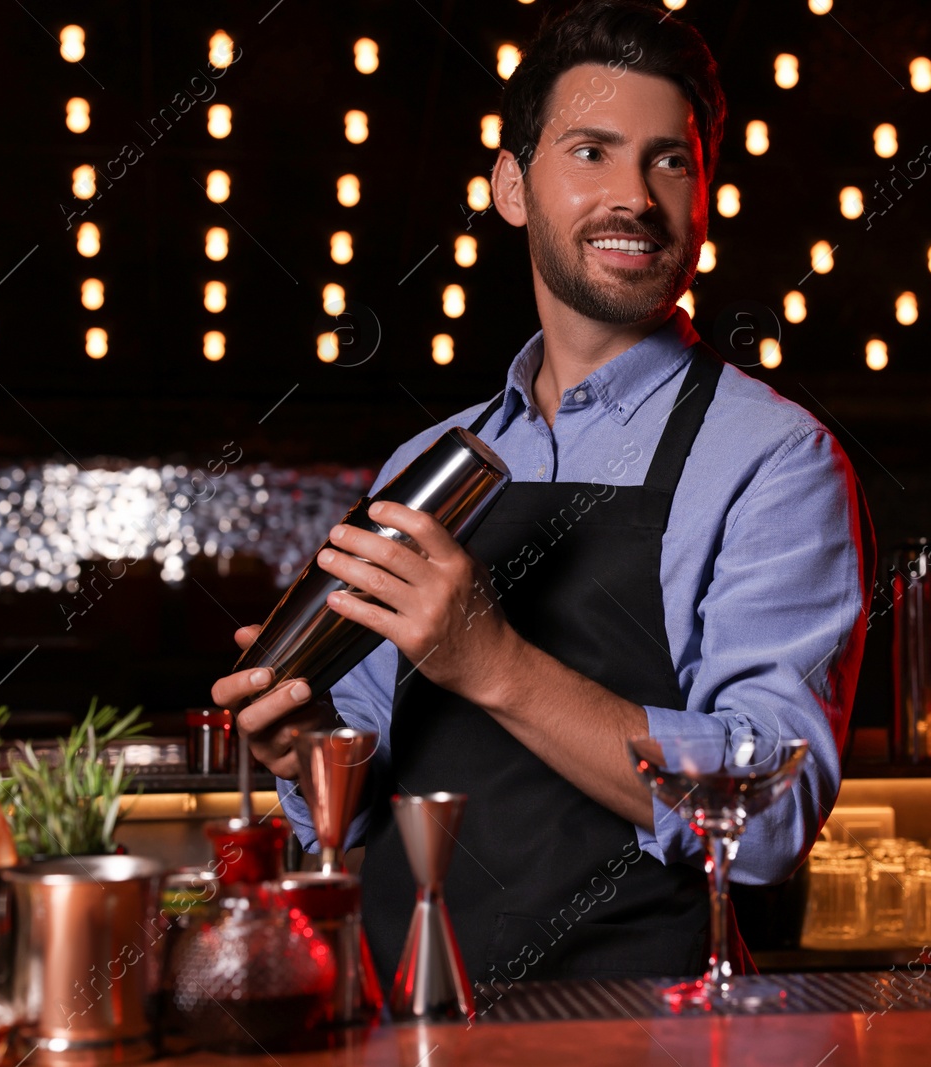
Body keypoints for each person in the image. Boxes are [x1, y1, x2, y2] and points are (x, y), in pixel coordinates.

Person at [212, 0, 873, 990]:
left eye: (669, 160)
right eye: (592, 152)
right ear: (512, 188)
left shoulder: (775, 458)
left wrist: (489, 659)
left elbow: (771, 812)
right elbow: (345, 797)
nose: (635, 198)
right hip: (412, 1013)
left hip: (644, 1024)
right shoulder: (422, 464)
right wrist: (305, 745)